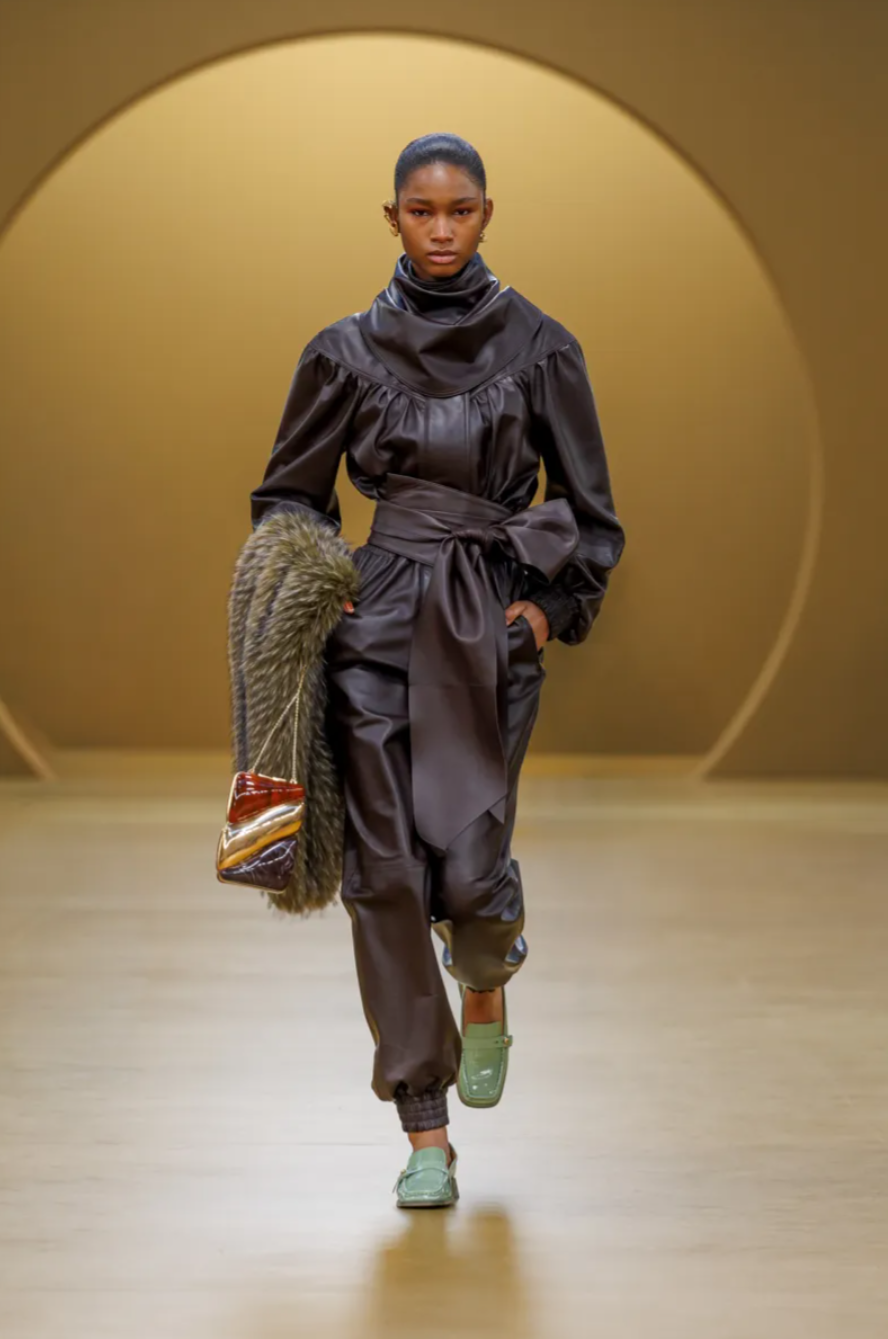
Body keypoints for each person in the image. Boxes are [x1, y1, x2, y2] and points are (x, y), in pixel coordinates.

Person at [250, 132, 625, 1207]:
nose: (443, 228)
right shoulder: (343, 352)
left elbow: (593, 510)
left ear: (487, 213)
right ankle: (425, 1130)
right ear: (393, 218)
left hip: (486, 626)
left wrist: (547, 613)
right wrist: (326, 583)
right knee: (383, 878)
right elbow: (286, 495)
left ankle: (488, 969)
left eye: (461, 210)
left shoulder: (542, 346)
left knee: (467, 870)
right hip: (374, 629)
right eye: (423, 210)